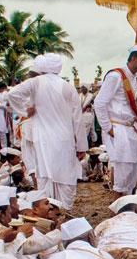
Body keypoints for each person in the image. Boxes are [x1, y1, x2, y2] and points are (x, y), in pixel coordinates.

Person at [7, 54, 86, 206]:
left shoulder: (36, 82)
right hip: (65, 138)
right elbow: (78, 119)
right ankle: (65, 209)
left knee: (45, 174)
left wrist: (25, 110)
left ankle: (49, 210)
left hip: (43, 138)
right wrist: (81, 146)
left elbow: (12, 94)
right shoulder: (68, 86)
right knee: (65, 175)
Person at [95, 45, 137, 195]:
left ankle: (128, 209)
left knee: (132, 173)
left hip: (130, 129)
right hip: (118, 129)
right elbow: (99, 103)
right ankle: (118, 212)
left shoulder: (133, 77)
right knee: (122, 175)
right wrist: (108, 128)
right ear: (133, 58)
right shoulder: (116, 76)